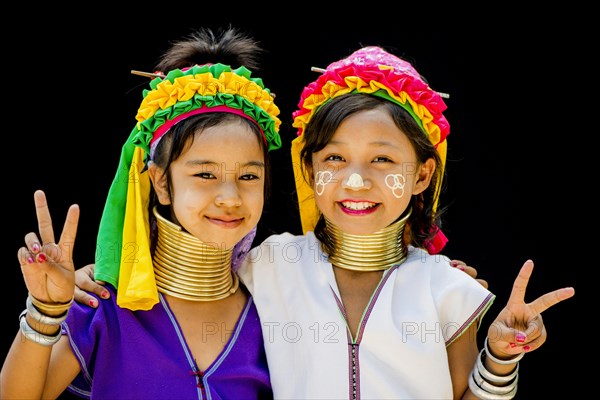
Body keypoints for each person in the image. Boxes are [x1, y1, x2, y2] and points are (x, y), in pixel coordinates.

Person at [234, 46, 574, 399]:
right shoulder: (267, 267)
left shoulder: (447, 289)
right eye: (335, 157)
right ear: (309, 168)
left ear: (422, 175)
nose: (355, 181)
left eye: (382, 159)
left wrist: (500, 357)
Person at [1, 27, 282, 399]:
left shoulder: (274, 309)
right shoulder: (104, 304)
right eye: (204, 174)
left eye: (248, 175)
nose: (230, 197)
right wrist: (45, 310)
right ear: (161, 182)